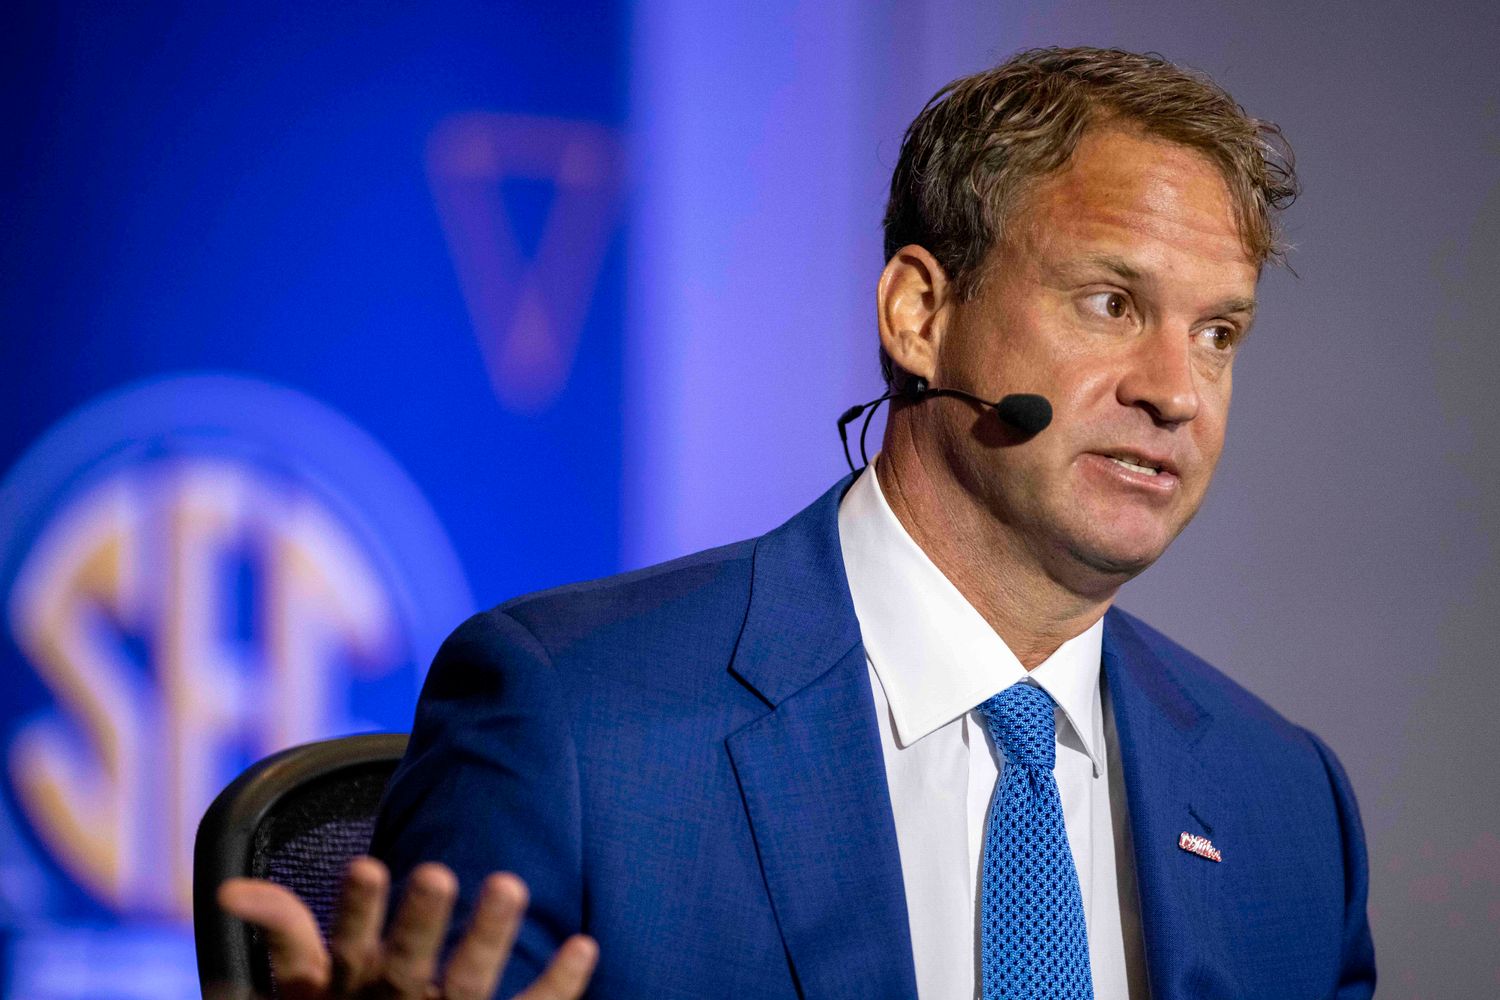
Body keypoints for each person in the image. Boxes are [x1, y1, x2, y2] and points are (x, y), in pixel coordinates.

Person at [223, 46, 1376, 999]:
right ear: (920, 314)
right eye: (1112, 303)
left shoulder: (1286, 807)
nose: (1176, 391)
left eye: (1219, 334)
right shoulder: (576, 723)